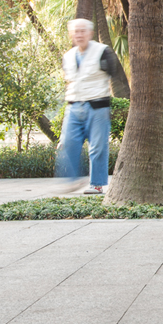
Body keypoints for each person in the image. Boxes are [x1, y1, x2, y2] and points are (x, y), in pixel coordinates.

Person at [56, 18, 119, 194]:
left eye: (83, 30)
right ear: (71, 35)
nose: (79, 34)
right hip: (74, 107)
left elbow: (113, 72)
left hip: (97, 106)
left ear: (90, 33)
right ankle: (73, 180)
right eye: (76, 31)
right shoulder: (68, 56)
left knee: (98, 146)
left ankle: (97, 184)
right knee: (68, 143)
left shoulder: (102, 51)